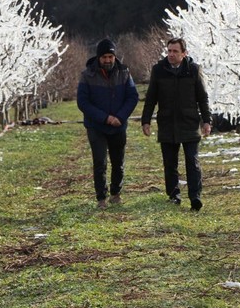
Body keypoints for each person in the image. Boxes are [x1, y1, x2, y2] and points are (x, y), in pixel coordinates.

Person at [141, 37, 212, 211]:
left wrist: (207, 121)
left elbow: (202, 98)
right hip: (167, 122)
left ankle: (195, 197)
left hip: (189, 122)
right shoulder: (159, 70)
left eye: (175, 51)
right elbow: (151, 97)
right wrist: (146, 120)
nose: (171, 54)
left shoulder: (194, 71)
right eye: (169, 51)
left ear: (184, 53)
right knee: (170, 163)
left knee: (192, 161)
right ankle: (174, 195)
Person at [77, 39, 139, 209]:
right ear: (98, 57)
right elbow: (83, 102)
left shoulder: (124, 72)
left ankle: (116, 193)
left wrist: (120, 116)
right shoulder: (87, 75)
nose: (107, 60)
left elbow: (132, 96)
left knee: (118, 161)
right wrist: (105, 118)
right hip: (96, 126)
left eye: (110, 56)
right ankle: (101, 197)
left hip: (119, 125)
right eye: (104, 57)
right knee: (100, 162)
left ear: (114, 56)